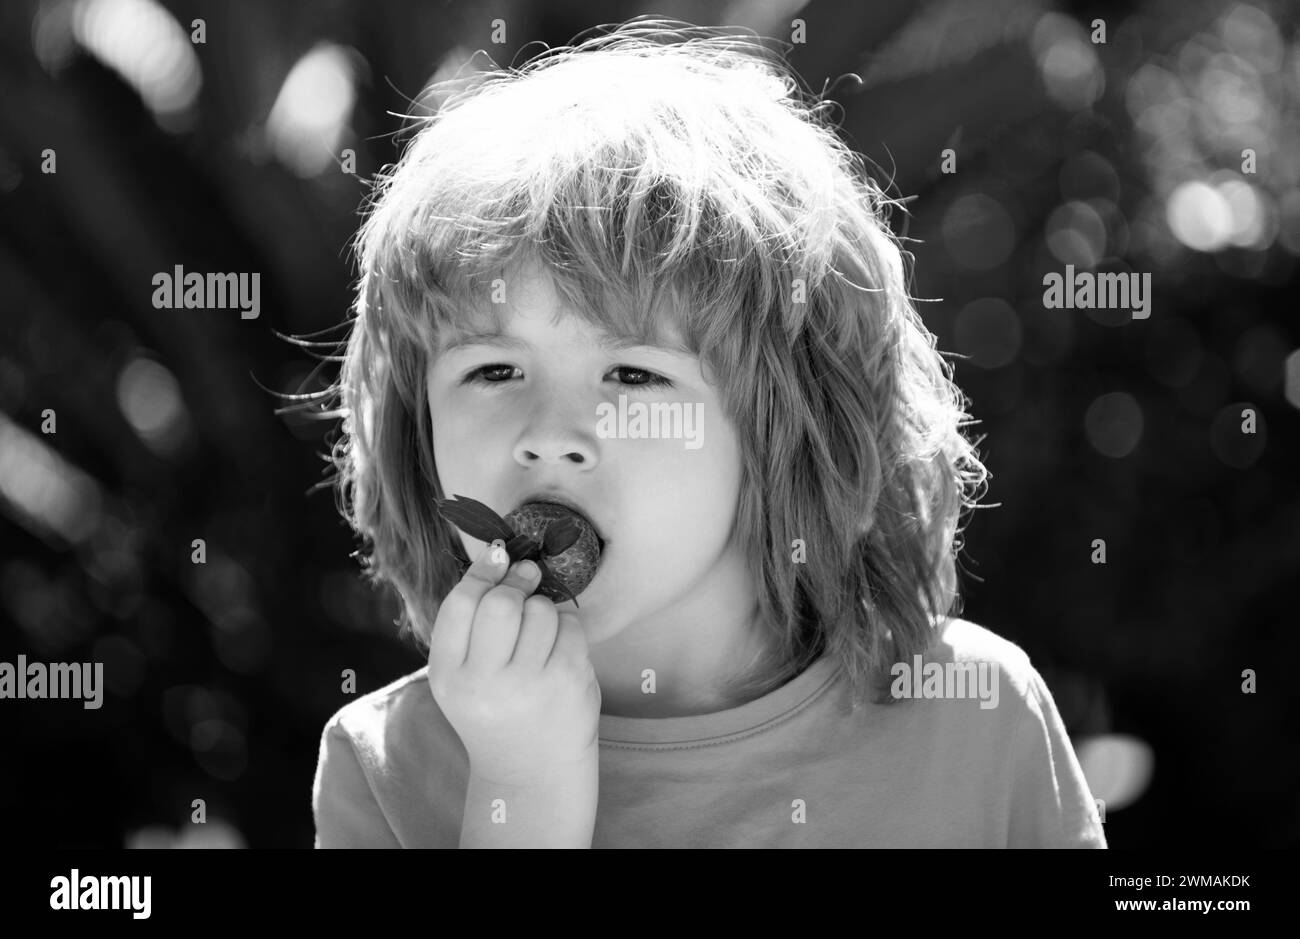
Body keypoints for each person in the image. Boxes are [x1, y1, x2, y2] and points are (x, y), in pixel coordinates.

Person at [310, 19, 1106, 848]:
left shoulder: (975, 719)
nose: (548, 437)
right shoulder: (387, 768)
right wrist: (519, 786)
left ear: (785, 423)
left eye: (634, 374)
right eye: (492, 371)